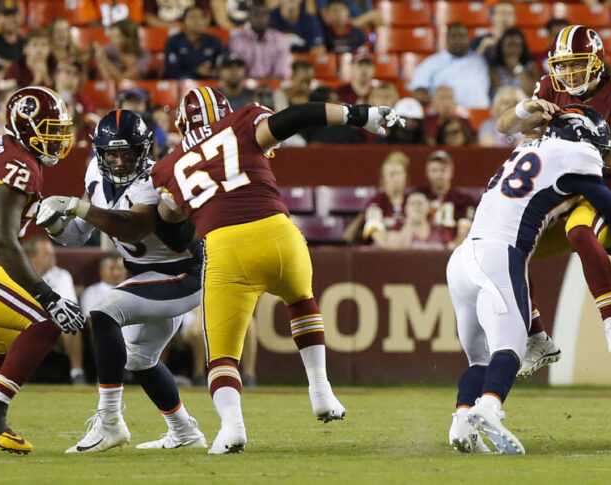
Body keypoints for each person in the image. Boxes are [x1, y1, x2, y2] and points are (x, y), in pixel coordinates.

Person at [149, 86, 402, 453]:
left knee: (222, 352)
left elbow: (168, 219)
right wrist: (359, 115)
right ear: (223, 109)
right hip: (279, 233)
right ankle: (321, 390)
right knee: (301, 301)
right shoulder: (241, 122)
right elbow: (297, 116)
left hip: (225, 247)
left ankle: (232, 426)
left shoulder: (168, 166)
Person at [447, 105, 611, 455]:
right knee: (510, 349)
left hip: (462, 257)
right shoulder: (577, 154)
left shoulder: (524, 148)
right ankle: (488, 408)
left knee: (480, 360)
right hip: (500, 254)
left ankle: (460, 421)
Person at [36, 109, 207, 453]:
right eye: (111, 153)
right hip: (150, 277)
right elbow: (77, 236)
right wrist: (54, 223)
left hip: (182, 274)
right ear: (99, 152)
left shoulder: (154, 179)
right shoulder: (95, 175)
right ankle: (185, 432)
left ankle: (110, 421)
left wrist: (75, 206)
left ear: (143, 150)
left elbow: (133, 226)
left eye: (126, 153)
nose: (118, 161)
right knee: (140, 360)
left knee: (103, 313)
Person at [497, 25, 611, 377]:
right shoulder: (550, 88)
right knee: (510, 252)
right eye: (563, 65)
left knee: (580, 231)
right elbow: (504, 125)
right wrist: (527, 108)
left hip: (606, 190)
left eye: (577, 64)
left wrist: (567, 142)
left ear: (596, 61)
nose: (568, 73)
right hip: (562, 189)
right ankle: (538, 338)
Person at [0, 86, 82, 454]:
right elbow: (5, 242)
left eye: (60, 130)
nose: (57, 139)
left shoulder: (8, 149)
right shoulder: (19, 165)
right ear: (24, 125)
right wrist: (48, 294)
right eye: (49, 129)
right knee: (48, 318)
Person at [24, 236, 83, 385]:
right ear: (31, 257)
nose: (53, 257)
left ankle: (77, 373)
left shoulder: (61, 275)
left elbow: (69, 306)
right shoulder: (19, 275)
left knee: (73, 325)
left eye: (52, 253)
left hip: (55, 322)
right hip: (23, 321)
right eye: (46, 254)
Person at [409, 23, 490, 108]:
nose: (458, 40)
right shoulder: (431, 63)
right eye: (454, 37)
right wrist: (441, 103)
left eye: (462, 36)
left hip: (482, 114)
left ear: (468, 39)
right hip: (448, 116)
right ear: (446, 40)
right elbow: (418, 93)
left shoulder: (480, 61)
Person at [418, 150, 475, 250]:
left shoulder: (463, 200)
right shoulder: (419, 196)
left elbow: (465, 230)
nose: (438, 175)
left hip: (452, 251)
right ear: (427, 172)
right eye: (434, 170)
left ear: (451, 171)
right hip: (422, 249)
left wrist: (454, 248)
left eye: (443, 170)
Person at [229, 0, 291, 80]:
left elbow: (281, 74)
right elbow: (237, 75)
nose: (260, 17)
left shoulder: (280, 40)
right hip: (245, 88)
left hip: (273, 88)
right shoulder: (237, 41)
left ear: (269, 16)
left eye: (263, 14)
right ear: (249, 17)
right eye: (256, 14)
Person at [362, 150, 409, 245]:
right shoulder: (376, 203)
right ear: (383, 179)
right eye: (392, 175)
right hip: (383, 253)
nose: (396, 179)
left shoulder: (412, 200)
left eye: (399, 174)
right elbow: (376, 235)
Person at [165, 6, 224, 80]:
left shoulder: (214, 41)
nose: (198, 20)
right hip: (183, 85)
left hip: (209, 85)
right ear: (183, 22)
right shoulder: (174, 42)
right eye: (192, 17)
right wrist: (196, 71)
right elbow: (172, 73)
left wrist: (213, 72)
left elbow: (222, 67)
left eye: (201, 17)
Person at [373, 191, 446, 250]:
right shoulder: (398, 227)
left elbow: (449, 247)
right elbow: (395, 248)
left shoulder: (438, 229)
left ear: (428, 208)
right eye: (412, 204)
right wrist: (409, 223)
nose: (416, 207)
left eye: (420, 203)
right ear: (406, 209)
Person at [488, 27, 540, 98]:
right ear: (501, 48)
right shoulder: (493, 70)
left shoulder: (531, 66)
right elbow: (498, 94)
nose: (513, 49)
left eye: (517, 45)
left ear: (522, 48)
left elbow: (533, 91)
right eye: (509, 45)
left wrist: (518, 68)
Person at [80, 253, 127, 317]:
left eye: (120, 268)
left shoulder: (135, 290)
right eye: (111, 268)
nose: (116, 272)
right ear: (101, 271)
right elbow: (90, 320)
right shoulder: (91, 292)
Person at [144, 0, 212, 29]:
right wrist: (178, 26)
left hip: (193, 32)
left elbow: (206, 16)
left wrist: (192, 27)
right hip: (162, 31)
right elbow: (149, 18)